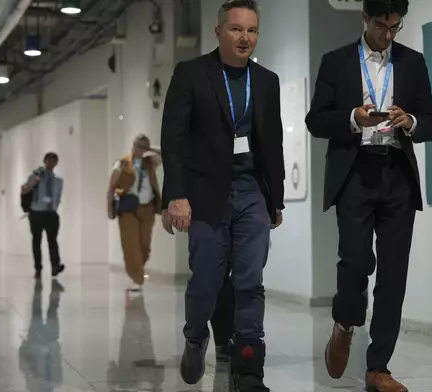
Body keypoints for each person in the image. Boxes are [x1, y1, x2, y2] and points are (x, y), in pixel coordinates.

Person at [305, 0, 432, 391]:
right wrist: (352, 118)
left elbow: (431, 120)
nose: (388, 34)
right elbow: (316, 119)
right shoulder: (336, 61)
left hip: (398, 173)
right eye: (382, 25)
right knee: (356, 260)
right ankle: (345, 321)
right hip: (355, 172)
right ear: (365, 18)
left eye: (396, 27)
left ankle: (378, 366)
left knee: (394, 273)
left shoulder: (412, 63)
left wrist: (409, 121)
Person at [160, 0, 285, 389]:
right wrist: (175, 196)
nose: (244, 37)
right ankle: (196, 336)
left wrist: (275, 198)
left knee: (250, 279)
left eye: (251, 30)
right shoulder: (192, 74)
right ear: (219, 32)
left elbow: (272, 143)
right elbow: (173, 139)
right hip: (205, 195)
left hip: (252, 193)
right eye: (236, 29)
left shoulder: (266, 81)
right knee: (207, 280)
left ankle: (248, 367)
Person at [162, 210, 235, 362]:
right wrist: (168, 203)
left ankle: (224, 341)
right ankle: (197, 336)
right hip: (206, 207)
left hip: (242, 204)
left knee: (226, 277)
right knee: (208, 274)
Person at [107, 134, 162, 292]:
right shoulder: (122, 163)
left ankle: (137, 272)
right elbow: (111, 187)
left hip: (147, 208)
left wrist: (150, 148)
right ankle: (137, 279)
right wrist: (109, 207)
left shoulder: (150, 162)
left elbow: (167, 151)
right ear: (133, 145)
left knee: (145, 246)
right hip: (128, 208)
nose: (140, 149)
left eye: (144, 147)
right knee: (131, 245)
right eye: (138, 146)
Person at [21, 152, 65, 280]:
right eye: (48, 160)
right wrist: (36, 177)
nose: (50, 163)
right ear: (44, 161)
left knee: (53, 241)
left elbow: (58, 197)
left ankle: (55, 266)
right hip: (36, 213)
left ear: (56, 163)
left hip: (51, 214)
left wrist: (55, 207)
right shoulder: (36, 176)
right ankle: (38, 268)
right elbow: (27, 189)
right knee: (36, 241)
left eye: (53, 161)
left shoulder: (58, 181)